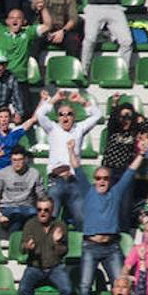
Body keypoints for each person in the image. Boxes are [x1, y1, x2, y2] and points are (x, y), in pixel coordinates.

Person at [73, 143, 144, 295]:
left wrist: (141, 154)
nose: (102, 181)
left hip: (112, 246)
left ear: (110, 180)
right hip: (90, 246)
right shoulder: (88, 191)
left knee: (121, 284)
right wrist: (70, 150)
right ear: (94, 180)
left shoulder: (116, 192)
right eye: (98, 178)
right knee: (84, 286)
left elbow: (130, 173)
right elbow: (77, 168)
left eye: (105, 178)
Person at [34, 92, 100, 226]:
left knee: (82, 219)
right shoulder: (52, 128)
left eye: (69, 114)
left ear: (74, 117)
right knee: (50, 219)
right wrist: (53, 100)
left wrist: (82, 101)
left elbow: (97, 115)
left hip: (74, 180)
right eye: (61, 114)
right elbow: (40, 115)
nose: (65, 117)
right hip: (56, 180)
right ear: (57, 117)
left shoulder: (79, 128)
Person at [17, 197, 72, 295]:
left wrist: (56, 243)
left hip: (55, 267)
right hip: (35, 267)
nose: (42, 212)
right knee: (23, 290)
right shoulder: (30, 224)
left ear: (52, 210)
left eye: (46, 210)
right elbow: (21, 249)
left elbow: (64, 251)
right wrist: (27, 247)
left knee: (67, 290)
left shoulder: (60, 225)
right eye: (39, 209)